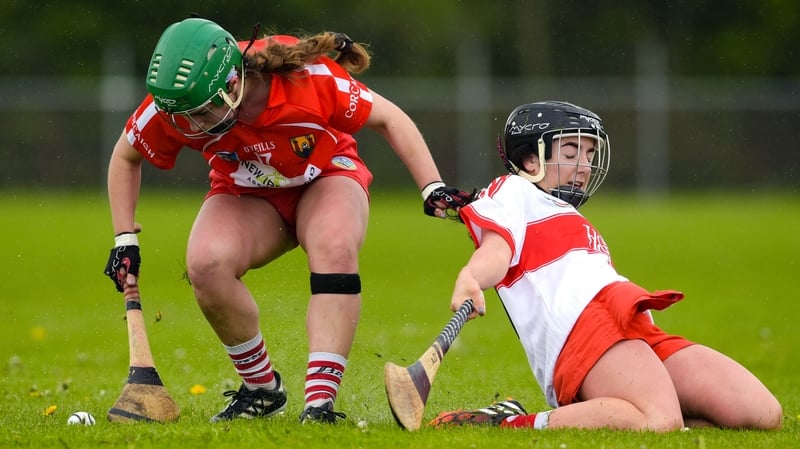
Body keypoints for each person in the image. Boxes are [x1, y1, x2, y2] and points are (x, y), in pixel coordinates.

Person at [102, 17, 472, 424]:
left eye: (203, 113)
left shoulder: (308, 80)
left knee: (334, 246)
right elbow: (125, 156)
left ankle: (319, 404)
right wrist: (124, 239)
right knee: (207, 264)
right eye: (185, 116)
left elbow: (390, 118)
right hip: (249, 193)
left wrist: (431, 186)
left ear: (232, 83)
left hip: (328, 174)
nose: (191, 127)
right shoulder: (178, 102)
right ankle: (261, 389)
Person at [428, 101, 783, 431]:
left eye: (590, 153)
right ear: (530, 161)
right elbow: (497, 250)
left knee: (760, 413)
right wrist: (472, 276)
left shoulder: (563, 213)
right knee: (659, 418)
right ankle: (508, 422)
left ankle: (621, 410)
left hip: (628, 315)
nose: (584, 165)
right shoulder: (511, 190)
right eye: (570, 152)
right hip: (581, 328)